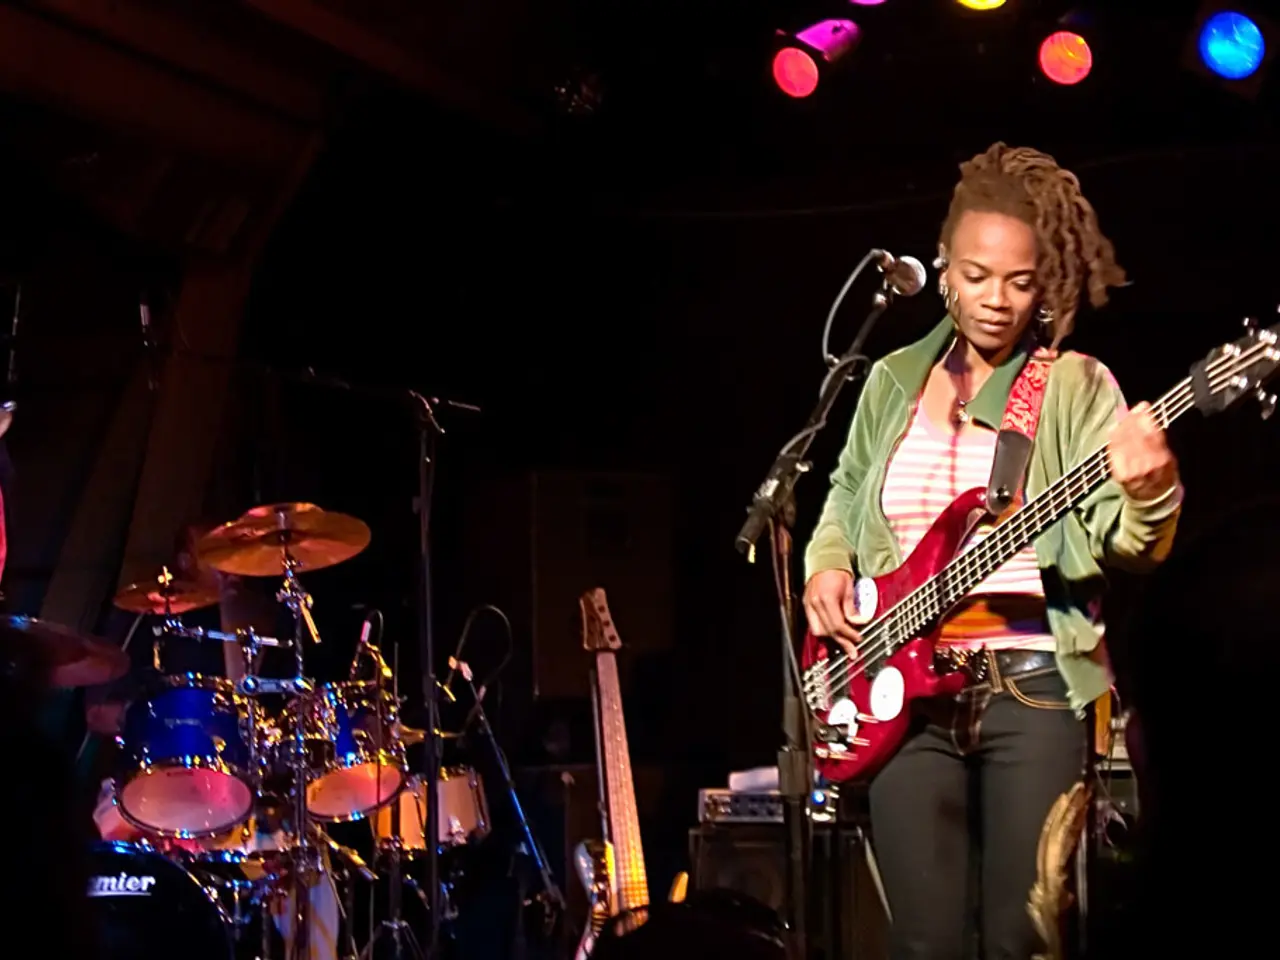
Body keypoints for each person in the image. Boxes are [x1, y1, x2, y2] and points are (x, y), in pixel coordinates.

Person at [801, 142, 1182, 959]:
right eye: (976, 276)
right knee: (925, 943)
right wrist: (826, 561)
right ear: (943, 266)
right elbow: (846, 488)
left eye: (1019, 281)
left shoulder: (1076, 387)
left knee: (1024, 938)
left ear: (1045, 284)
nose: (997, 300)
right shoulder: (893, 379)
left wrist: (1151, 491)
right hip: (899, 690)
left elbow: (1128, 544)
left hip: (1033, 688)